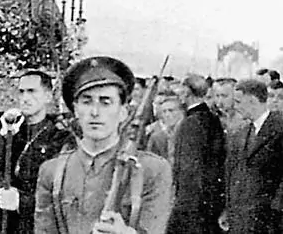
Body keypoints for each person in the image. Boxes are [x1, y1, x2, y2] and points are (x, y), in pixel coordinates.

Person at [34, 56, 172, 234]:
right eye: (86, 101)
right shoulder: (52, 172)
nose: (95, 112)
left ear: (123, 111)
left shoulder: (152, 170)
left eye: (105, 102)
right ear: (75, 109)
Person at [0, 70, 76, 234]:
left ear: (47, 96)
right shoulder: (9, 129)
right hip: (3, 222)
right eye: (21, 92)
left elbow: (63, 194)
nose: (25, 98)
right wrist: (3, 135)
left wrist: (21, 203)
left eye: (32, 91)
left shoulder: (60, 138)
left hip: (36, 224)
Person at [220, 79, 283, 233]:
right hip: (241, 218)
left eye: (238, 101)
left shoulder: (280, 128)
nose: (235, 106)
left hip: (269, 220)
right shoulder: (240, 133)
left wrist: (275, 210)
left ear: (253, 101)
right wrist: (228, 208)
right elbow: (232, 174)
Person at [168, 74, 225, 234]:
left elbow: (189, 170)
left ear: (187, 92)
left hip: (193, 206)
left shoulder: (192, 122)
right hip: (208, 202)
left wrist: (182, 207)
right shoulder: (211, 119)